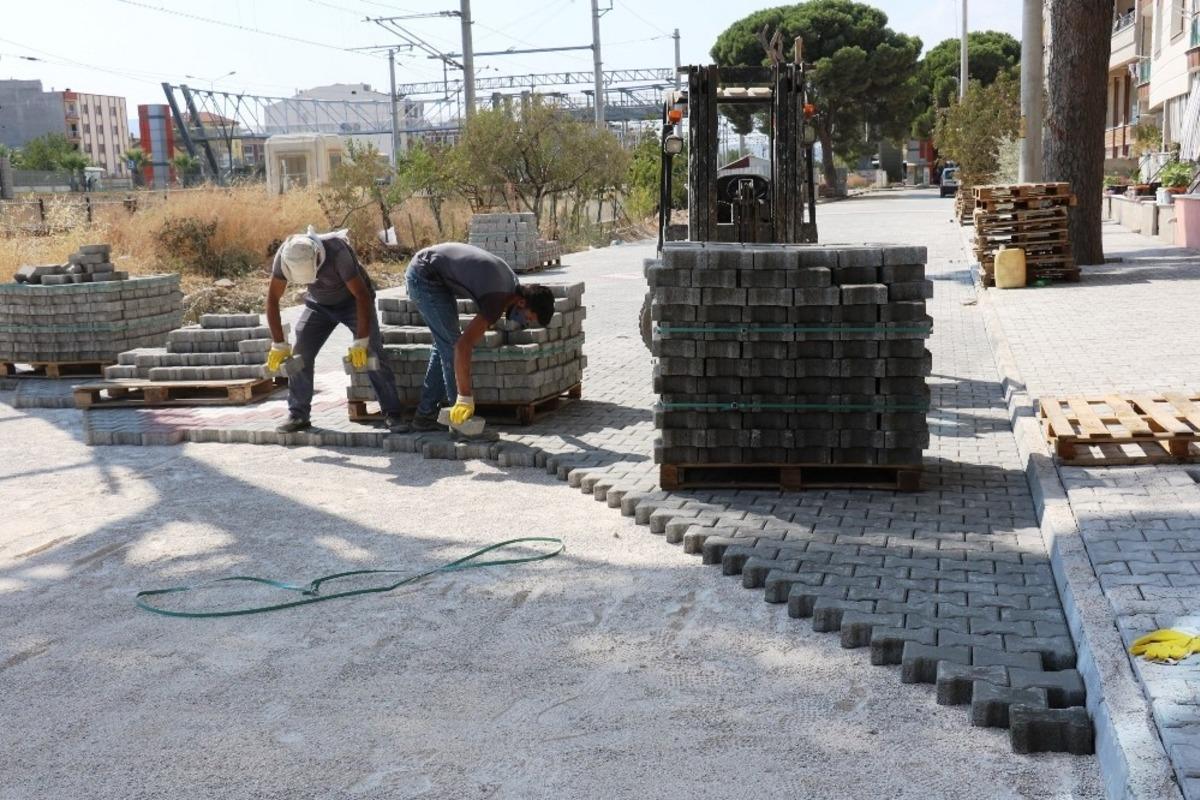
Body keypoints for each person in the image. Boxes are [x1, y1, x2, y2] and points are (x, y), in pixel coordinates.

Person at [265, 226, 404, 434]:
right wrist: (278, 343)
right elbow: (272, 299)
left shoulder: (337, 252)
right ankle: (298, 414)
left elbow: (362, 295)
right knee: (301, 353)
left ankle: (392, 413)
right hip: (318, 305)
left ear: (317, 258)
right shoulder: (286, 254)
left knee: (372, 352)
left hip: (352, 302)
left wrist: (361, 341)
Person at [404, 242, 556, 431]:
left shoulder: (513, 285)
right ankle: (461, 424)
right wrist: (465, 397)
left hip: (432, 271)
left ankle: (425, 415)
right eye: (529, 318)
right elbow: (463, 346)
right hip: (424, 275)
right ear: (522, 303)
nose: (524, 323)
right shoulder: (497, 299)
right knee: (452, 345)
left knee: (444, 343)